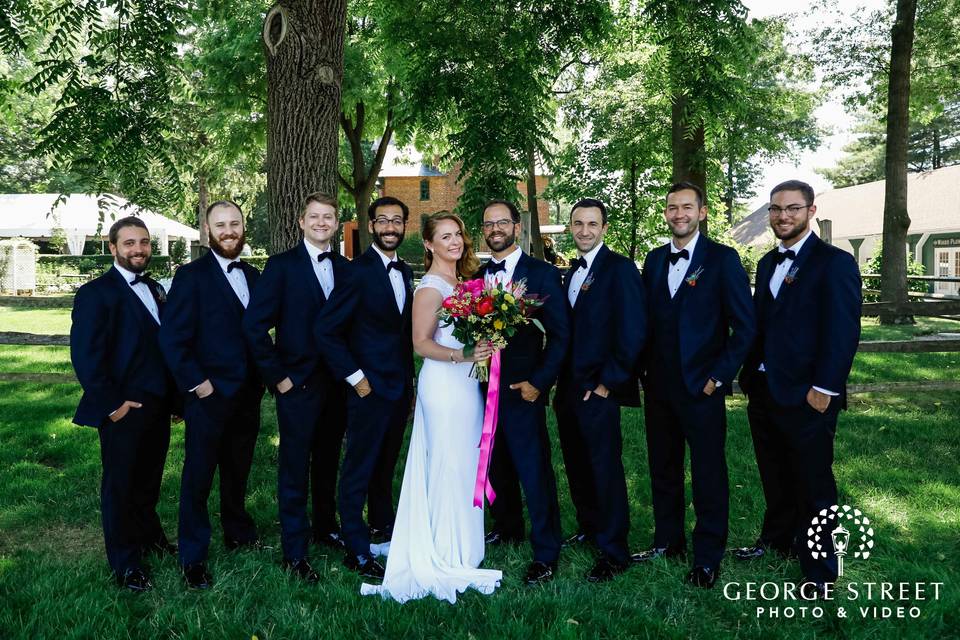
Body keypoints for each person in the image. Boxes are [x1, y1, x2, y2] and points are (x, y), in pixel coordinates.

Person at [361, 212, 502, 603]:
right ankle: (442, 547)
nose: (454, 241)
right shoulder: (430, 289)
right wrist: (464, 353)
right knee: (446, 460)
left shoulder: (467, 282)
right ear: (428, 244)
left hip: (467, 387)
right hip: (443, 386)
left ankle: (464, 543)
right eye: (444, 236)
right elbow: (421, 344)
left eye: (458, 233)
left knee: (464, 460)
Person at [735, 180, 861, 597]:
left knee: (813, 482)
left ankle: (822, 570)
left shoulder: (834, 262)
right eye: (776, 209)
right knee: (774, 473)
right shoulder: (769, 263)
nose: (782, 216)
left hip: (809, 394)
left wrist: (824, 388)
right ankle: (777, 541)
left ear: (810, 210)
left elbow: (843, 332)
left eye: (792, 208)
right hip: (765, 389)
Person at [635, 182, 755, 588]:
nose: (679, 214)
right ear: (666, 213)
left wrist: (718, 377)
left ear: (702, 212)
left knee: (707, 473)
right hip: (659, 388)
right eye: (672, 208)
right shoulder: (653, 261)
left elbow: (745, 327)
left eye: (687, 207)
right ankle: (668, 541)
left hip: (702, 388)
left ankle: (707, 557)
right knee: (663, 468)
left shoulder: (722, 259)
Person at [242, 193, 351, 583]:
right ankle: (295, 549)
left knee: (327, 461)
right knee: (294, 467)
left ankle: (326, 527)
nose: (322, 223)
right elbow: (255, 327)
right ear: (301, 222)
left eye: (329, 217)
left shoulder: (346, 267)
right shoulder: (281, 266)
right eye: (315, 217)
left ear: (336, 223)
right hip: (296, 385)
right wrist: (278, 377)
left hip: (338, 385)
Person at [159, 200, 263, 589]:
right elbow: (172, 338)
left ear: (243, 226)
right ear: (207, 230)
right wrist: (197, 383)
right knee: (198, 476)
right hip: (207, 394)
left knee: (238, 468)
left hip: (248, 393)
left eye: (234, 223)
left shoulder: (254, 275)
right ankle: (193, 554)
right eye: (220, 225)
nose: (229, 230)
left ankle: (237, 529)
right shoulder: (190, 276)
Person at [70, 216, 176, 592]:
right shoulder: (95, 293)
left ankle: (151, 539)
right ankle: (125, 562)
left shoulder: (156, 289)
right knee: (120, 485)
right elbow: (86, 357)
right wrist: (113, 405)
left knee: (148, 481)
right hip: (123, 407)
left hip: (158, 404)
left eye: (144, 242)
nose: (138, 249)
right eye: (129, 243)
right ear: (112, 247)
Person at [315, 196, 415, 580]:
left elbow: (400, 335)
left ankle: (383, 529)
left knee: (385, 464)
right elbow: (326, 331)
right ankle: (356, 547)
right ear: (371, 226)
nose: (390, 227)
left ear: (404, 226)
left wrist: (411, 383)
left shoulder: (404, 271)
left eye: (397, 220)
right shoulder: (356, 272)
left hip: (398, 389)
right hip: (368, 390)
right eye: (383, 221)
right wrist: (356, 378)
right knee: (358, 467)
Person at [477, 199, 569, 585]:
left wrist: (539, 382)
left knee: (534, 469)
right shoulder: (478, 276)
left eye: (502, 222)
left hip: (523, 390)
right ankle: (507, 525)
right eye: (488, 223)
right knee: (497, 462)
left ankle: (546, 549)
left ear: (517, 227)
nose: (495, 228)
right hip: (484, 391)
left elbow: (562, 335)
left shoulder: (542, 274)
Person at [554, 198, 646, 582]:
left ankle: (614, 549)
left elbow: (634, 331)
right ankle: (589, 527)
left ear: (605, 228)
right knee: (577, 462)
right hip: (568, 389)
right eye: (578, 223)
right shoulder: (569, 272)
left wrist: (610, 382)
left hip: (599, 388)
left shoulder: (620, 269)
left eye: (592, 224)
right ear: (570, 227)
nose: (585, 230)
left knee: (604, 468)